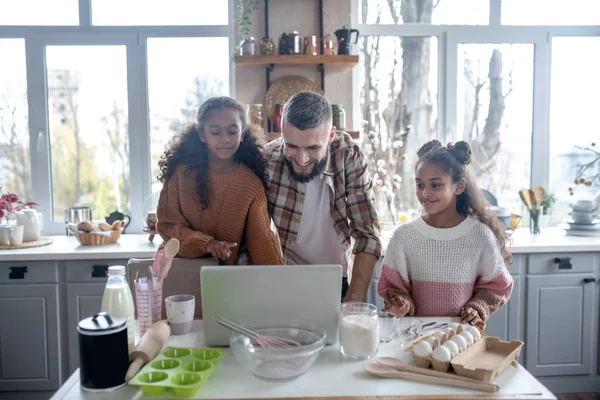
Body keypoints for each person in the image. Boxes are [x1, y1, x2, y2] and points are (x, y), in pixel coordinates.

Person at [377, 140, 513, 327]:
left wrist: (478, 307)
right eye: (420, 184)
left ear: (459, 187)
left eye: (435, 185)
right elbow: (394, 288)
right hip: (413, 336)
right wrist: (401, 302)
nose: (425, 193)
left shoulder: (480, 236)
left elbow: (497, 287)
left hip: (462, 336)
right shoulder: (404, 237)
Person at [264, 91, 381, 302]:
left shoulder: (348, 155)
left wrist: (353, 302)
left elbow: (367, 234)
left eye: (313, 147)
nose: (301, 158)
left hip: (336, 278)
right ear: (282, 134)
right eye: (291, 146)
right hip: (285, 277)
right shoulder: (268, 160)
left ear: (331, 135)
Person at [156, 96, 284, 266]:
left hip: (222, 279)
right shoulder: (181, 174)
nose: (225, 138)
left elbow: (262, 241)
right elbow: (167, 226)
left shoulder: (250, 184)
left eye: (232, 132)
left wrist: (283, 280)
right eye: (216, 132)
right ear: (202, 134)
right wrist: (207, 243)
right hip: (177, 271)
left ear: (243, 133)